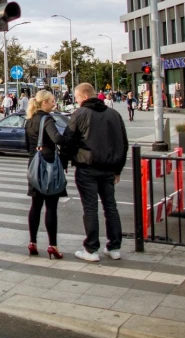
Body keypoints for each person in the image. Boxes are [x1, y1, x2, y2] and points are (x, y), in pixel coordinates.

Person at [64, 83, 128, 262]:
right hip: (109, 170)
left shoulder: (80, 114)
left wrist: (68, 160)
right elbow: (123, 143)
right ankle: (114, 247)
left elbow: (68, 140)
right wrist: (118, 169)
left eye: (76, 97)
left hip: (87, 168)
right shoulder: (114, 114)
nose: (76, 101)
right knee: (111, 207)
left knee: (90, 208)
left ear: (84, 97)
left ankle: (91, 249)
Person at [24, 90, 68, 259]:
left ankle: (32, 242)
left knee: (35, 206)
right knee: (51, 207)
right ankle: (52, 245)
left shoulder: (29, 120)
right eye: (51, 101)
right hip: (48, 166)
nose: (54, 103)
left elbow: (27, 145)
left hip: (34, 165)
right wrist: (70, 141)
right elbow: (57, 138)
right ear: (43, 103)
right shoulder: (47, 119)